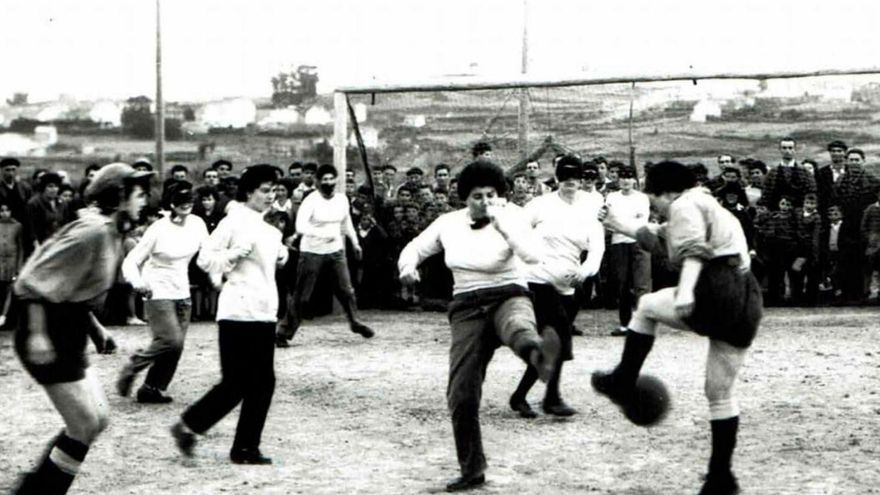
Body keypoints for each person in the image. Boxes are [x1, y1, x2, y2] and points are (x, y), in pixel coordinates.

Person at [594, 160, 762, 495]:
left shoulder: (684, 204)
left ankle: (623, 381)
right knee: (719, 393)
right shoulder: (708, 205)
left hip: (715, 289)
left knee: (645, 306)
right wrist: (618, 223)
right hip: (747, 302)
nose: (654, 206)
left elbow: (693, 251)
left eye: (653, 198)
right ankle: (721, 477)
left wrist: (685, 291)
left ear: (665, 191)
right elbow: (661, 238)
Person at [398, 160, 561, 492]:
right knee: (461, 393)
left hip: (509, 293)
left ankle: (539, 352)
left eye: (491, 195)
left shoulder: (513, 217)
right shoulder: (448, 223)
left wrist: (504, 227)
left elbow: (532, 257)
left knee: (517, 326)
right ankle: (472, 469)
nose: (485, 202)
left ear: (501, 195)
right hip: (466, 305)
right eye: (477, 196)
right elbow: (415, 247)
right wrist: (407, 267)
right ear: (464, 198)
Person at [12, 163, 151, 494]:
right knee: (85, 424)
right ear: (119, 196)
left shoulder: (110, 230)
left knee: (97, 419)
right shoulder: (93, 232)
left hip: (69, 326)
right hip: (46, 329)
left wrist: (95, 328)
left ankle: (37, 488)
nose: (145, 200)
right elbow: (31, 281)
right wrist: (37, 334)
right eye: (139, 193)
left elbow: (72, 288)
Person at [170, 164, 287, 465]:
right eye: (264, 190)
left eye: (273, 190)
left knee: (261, 383)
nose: (270, 196)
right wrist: (232, 255)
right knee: (237, 383)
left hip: (262, 311)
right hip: (237, 312)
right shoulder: (233, 222)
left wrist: (282, 254)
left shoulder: (270, 230)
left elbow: (266, 266)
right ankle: (195, 429)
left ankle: (241, 446)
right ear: (248, 192)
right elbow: (206, 259)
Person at [509, 155, 604, 418]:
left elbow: (597, 247)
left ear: (582, 179)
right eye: (564, 177)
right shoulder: (540, 205)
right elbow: (516, 233)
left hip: (570, 286)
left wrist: (585, 272)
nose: (569, 182)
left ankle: (521, 396)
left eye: (575, 177)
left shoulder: (590, 207)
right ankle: (552, 398)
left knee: (553, 345)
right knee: (558, 339)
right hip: (537, 280)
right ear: (557, 179)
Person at [116, 181, 209, 404]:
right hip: (156, 290)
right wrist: (138, 283)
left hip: (182, 292)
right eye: (180, 200)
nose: (185, 205)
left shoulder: (197, 224)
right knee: (171, 340)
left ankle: (152, 388)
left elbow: (209, 254)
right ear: (170, 203)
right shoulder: (158, 229)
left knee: (175, 348)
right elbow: (131, 260)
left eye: (189, 200)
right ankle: (133, 366)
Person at [275, 164, 374, 347]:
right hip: (312, 251)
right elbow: (301, 227)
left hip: (336, 251)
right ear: (318, 182)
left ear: (336, 180)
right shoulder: (311, 201)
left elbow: (346, 223)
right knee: (303, 296)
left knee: (346, 290)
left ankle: (355, 322)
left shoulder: (342, 200)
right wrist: (323, 235)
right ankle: (283, 332)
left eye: (331, 179)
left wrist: (355, 242)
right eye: (324, 180)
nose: (328, 183)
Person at [604, 165, 651, 335]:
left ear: (634, 180)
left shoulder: (642, 198)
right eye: (622, 177)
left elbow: (640, 222)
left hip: (639, 242)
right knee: (622, 284)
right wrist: (619, 223)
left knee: (642, 284)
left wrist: (619, 223)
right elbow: (607, 220)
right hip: (619, 244)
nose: (625, 180)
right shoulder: (611, 197)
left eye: (629, 177)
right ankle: (625, 324)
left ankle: (643, 325)